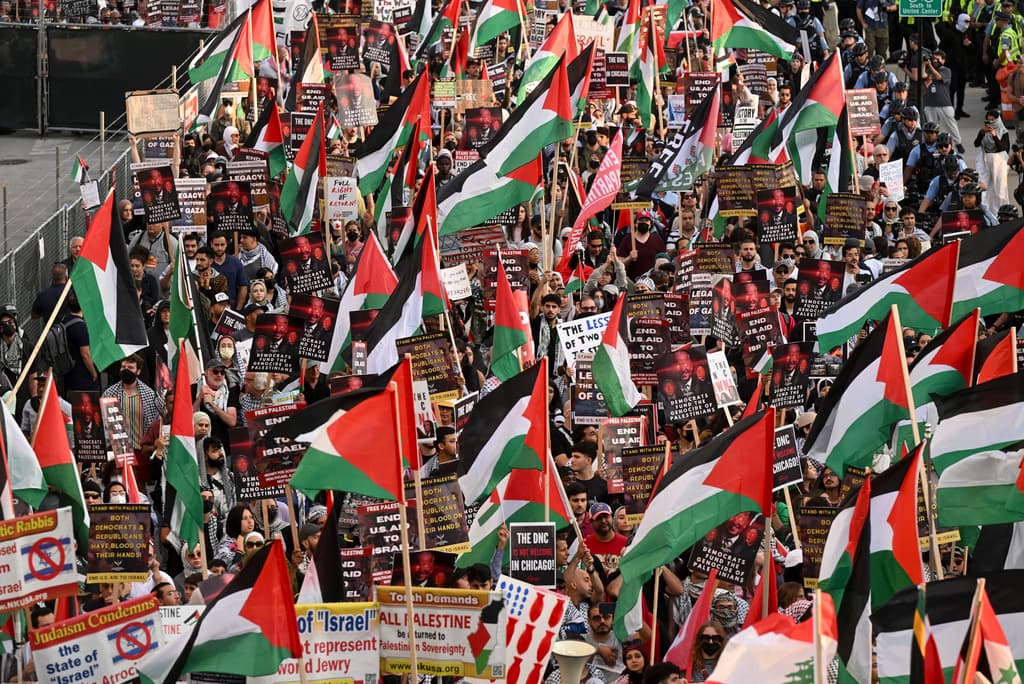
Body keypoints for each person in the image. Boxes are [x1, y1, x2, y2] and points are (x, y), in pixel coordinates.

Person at [101, 354, 164, 453]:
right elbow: (103, 423)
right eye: (123, 367)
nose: (126, 370)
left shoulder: (150, 395)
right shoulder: (109, 394)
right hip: (117, 452)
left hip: (140, 451)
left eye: (130, 367)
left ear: (138, 371)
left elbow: (154, 424)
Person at [583, 502, 627, 572]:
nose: (603, 521)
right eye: (598, 518)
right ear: (591, 522)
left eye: (606, 517)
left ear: (612, 518)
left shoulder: (626, 543)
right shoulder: (585, 545)